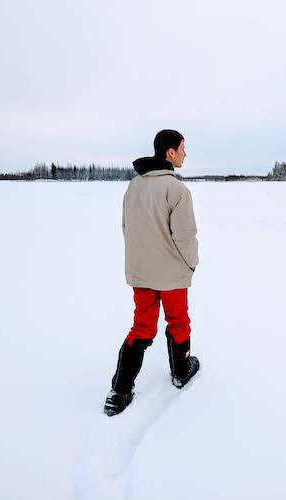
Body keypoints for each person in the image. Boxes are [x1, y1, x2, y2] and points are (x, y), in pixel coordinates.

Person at [104, 129, 200, 416]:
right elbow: (185, 236)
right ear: (170, 152)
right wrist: (191, 264)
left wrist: (139, 263)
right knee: (178, 321)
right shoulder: (178, 190)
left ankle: (119, 391)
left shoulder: (133, 187)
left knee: (142, 327)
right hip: (171, 274)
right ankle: (181, 371)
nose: (185, 153)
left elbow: (126, 229)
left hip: (142, 273)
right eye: (183, 148)